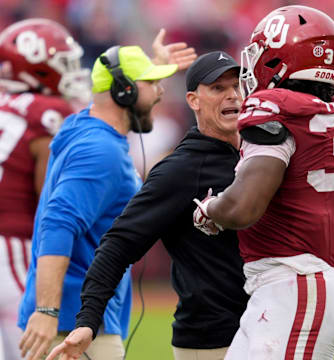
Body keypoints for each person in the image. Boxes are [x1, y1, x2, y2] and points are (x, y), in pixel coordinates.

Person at [45, 51, 250, 360]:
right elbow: (117, 243)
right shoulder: (180, 169)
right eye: (218, 88)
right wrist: (87, 320)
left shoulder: (260, 157)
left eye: (237, 85)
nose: (232, 95)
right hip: (213, 339)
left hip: (264, 326)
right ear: (193, 100)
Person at [193, 5, 334, 360]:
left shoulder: (274, 108)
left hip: (297, 285)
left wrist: (211, 209)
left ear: (276, 60)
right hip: (299, 286)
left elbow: (243, 207)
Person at [18, 34, 197, 360]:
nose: (160, 92)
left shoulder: (86, 126)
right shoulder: (100, 150)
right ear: (124, 91)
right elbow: (57, 224)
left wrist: (153, 67)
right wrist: (47, 311)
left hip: (74, 319)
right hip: (74, 324)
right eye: (151, 83)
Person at [0, 18, 90, 360]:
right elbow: (50, 197)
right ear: (37, 69)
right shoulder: (48, 112)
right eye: (63, 63)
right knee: (35, 350)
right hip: (12, 246)